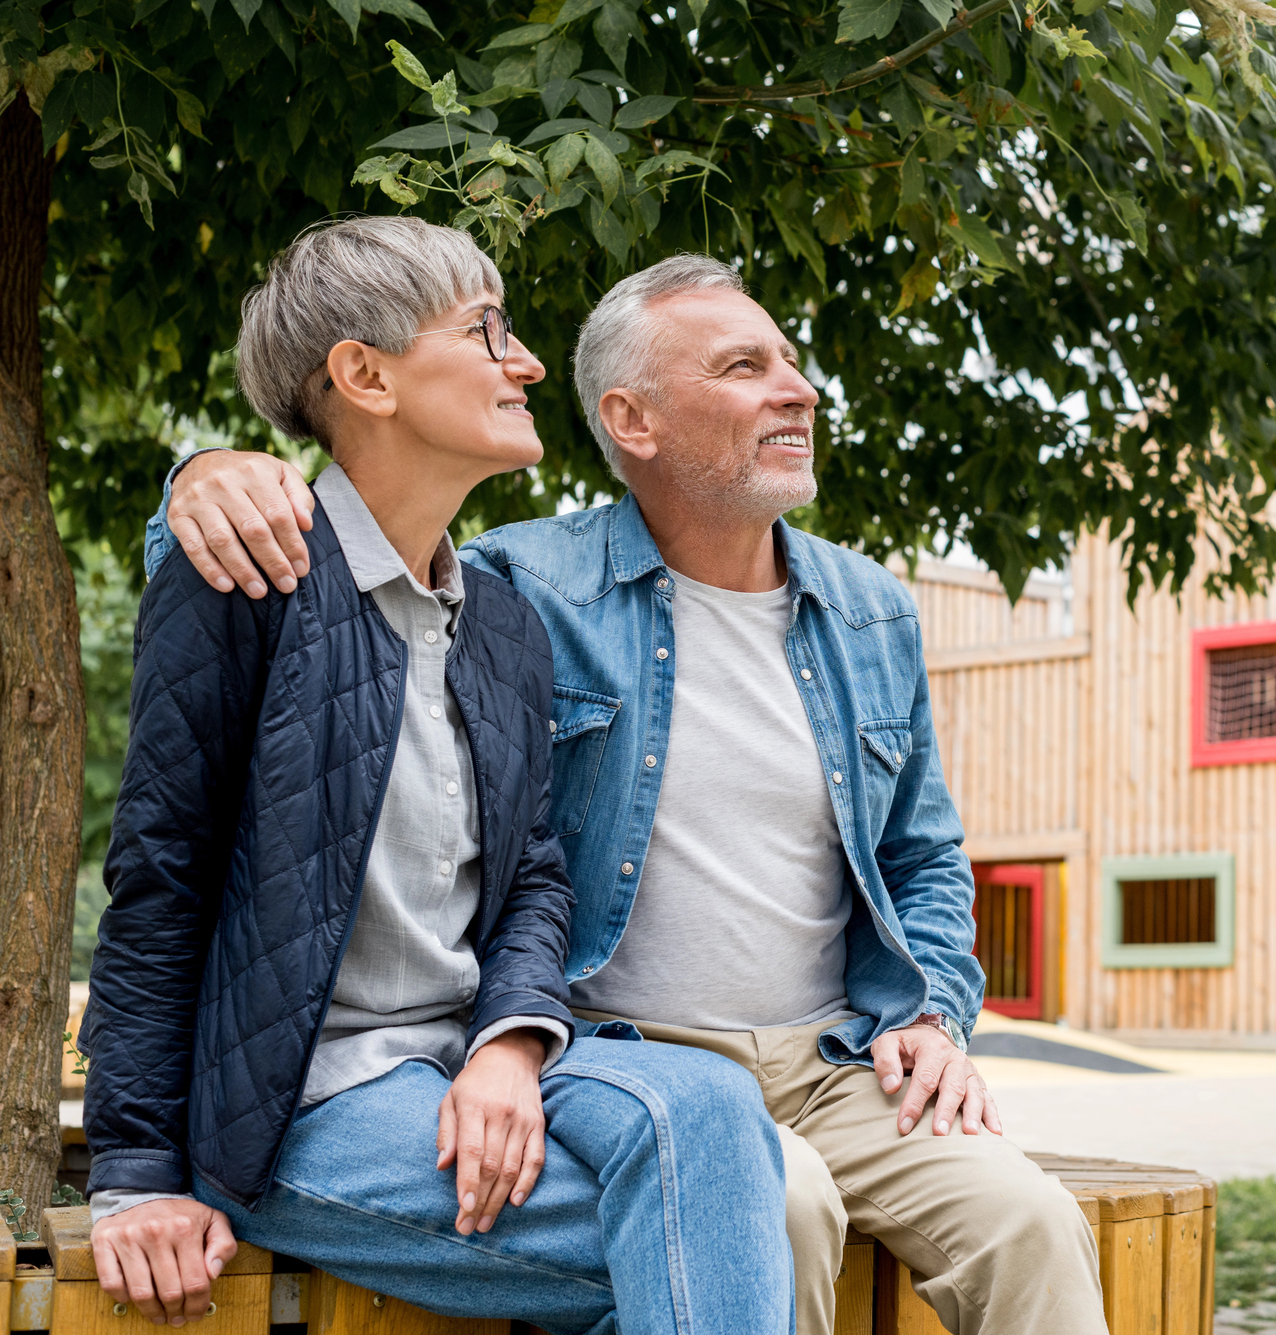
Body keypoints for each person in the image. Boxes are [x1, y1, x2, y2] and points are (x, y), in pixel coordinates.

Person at [145, 253, 1108, 1335]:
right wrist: (201, 477)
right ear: (632, 422)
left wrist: (934, 1009)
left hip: (838, 1061)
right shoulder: (523, 589)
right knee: (767, 1209)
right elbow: (335, 565)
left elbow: (920, 855)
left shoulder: (869, 609)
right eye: (745, 366)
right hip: (618, 1050)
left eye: (789, 361)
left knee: (1031, 1222)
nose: (795, 389)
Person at [88, 219, 791, 1335]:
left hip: (471, 1060)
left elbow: (533, 880)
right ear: (364, 375)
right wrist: (135, 1174)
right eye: (486, 331)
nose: (523, 363)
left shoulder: (502, 623)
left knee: (708, 1108)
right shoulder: (246, 576)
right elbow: (160, 875)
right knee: (726, 1233)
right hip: (304, 1100)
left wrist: (512, 1045)